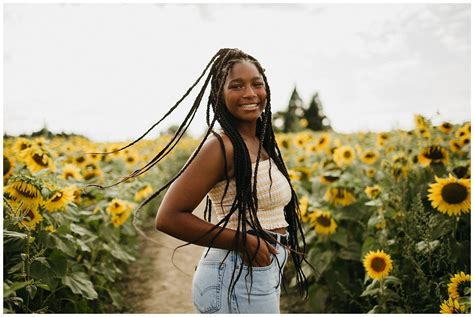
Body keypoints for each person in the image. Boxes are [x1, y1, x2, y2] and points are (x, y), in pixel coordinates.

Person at [88, 48, 311, 313]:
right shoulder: (220, 147)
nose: (250, 93)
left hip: (257, 270)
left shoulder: (258, 143)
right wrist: (246, 241)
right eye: (236, 86)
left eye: (257, 84)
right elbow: (168, 217)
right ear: (219, 93)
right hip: (236, 272)